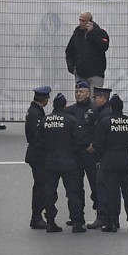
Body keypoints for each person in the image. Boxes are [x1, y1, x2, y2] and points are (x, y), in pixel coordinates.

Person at [93, 94, 128, 232]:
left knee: (112, 192)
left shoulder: (105, 122)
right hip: (126, 159)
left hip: (109, 161)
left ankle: (112, 223)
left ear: (111, 107)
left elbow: (97, 143)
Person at [42, 93, 84, 233]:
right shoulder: (71, 120)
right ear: (65, 106)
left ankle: (50, 221)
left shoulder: (45, 120)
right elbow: (79, 141)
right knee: (73, 192)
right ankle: (77, 222)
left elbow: (38, 141)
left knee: (49, 192)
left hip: (50, 160)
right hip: (68, 160)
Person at [65, 80, 97, 226]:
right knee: (75, 187)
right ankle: (77, 216)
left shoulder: (95, 109)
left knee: (96, 185)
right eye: (76, 92)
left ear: (88, 93)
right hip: (75, 153)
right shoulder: (70, 110)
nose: (78, 94)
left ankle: (100, 215)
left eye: (81, 91)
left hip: (91, 153)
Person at [86, 86, 113, 230]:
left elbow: (103, 136)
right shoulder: (103, 112)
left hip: (103, 156)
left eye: (96, 97)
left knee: (102, 187)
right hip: (106, 156)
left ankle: (103, 217)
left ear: (102, 98)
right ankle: (111, 219)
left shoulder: (105, 115)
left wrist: (94, 148)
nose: (94, 100)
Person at [24, 85, 51, 229]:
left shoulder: (33, 111)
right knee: (41, 186)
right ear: (45, 99)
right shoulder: (36, 114)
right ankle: (36, 216)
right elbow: (36, 136)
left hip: (35, 154)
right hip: (38, 156)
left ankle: (38, 215)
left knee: (40, 185)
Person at [65, 12, 110, 93]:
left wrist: (92, 33)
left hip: (96, 74)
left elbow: (104, 46)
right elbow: (69, 51)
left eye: (83, 21)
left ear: (89, 22)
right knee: (81, 98)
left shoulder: (100, 33)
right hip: (80, 73)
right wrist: (72, 68)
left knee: (93, 99)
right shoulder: (77, 34)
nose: (80, 23)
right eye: (80, 20)